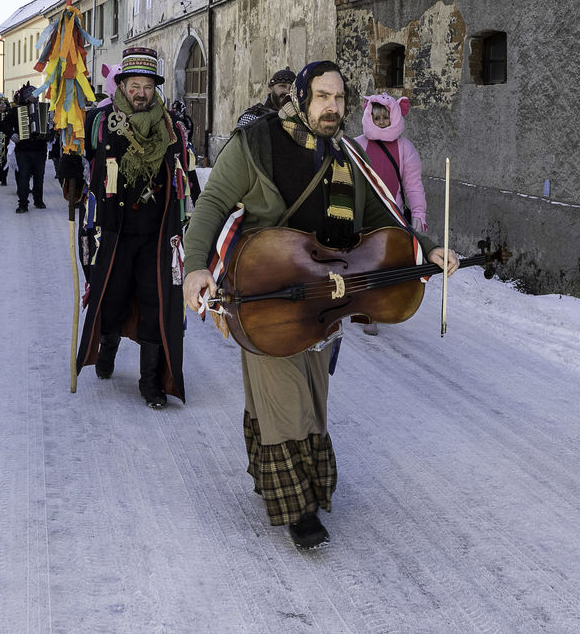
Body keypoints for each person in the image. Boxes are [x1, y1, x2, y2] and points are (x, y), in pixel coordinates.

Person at [182, 60, 457, 550]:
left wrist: (422, 248)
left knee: (311, 393)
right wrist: (196, 267)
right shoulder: (256, 143)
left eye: (340, 99)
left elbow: (379, 217)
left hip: (324, 294)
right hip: (266, 289)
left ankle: (285, 480)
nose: (333, 108)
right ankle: (298, 508)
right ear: (302, 97)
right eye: (323, 97)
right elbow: (212, 203)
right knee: (283, 394)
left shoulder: (345, 156)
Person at [57, 47, 199, 408]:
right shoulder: (100, 122)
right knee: (112, 298)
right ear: (121, 85)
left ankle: (150, 382)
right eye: (134, 85)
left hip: (156, 236)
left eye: (148, 86)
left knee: (155, 305)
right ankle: (106, 350)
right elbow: (74, 152)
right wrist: (70, 169)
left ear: (155, 90)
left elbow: (185, 174)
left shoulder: (172, 129)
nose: (141, 93)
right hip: (114, 232)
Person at [354, 92, 429, 334]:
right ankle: (363, 306)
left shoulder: (405, 148)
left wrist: (418, 213)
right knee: (362, 260)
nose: (381, 121)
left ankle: (376, 307)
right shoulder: (358, 144)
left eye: (386, 117)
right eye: (376, 117)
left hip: (391, 213)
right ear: (369, 115)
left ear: (394, 116)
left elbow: (413, 185)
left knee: (385, 261)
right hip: (362, 213)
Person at [6, 83, 50, 213]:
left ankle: (38, 200)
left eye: (36, 94)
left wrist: (51, 126)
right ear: (25, 96)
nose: (34, 97)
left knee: (39, 176)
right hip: (23, 148)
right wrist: (12, 134)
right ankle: (23, 204)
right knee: (23, 176)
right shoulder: (17, 110)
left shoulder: (44, 109)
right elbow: (5, 124)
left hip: (40, 148)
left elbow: (51, 128)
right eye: (31, 94)